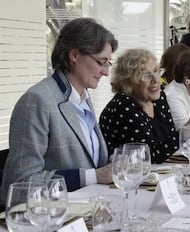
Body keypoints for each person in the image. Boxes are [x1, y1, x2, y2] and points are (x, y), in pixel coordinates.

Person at [0, 17, 118, 203]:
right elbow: (21, 184)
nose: (106, 72)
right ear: (75, 55)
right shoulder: (37, 101)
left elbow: (89, 163)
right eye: (101, 62)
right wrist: (94, 176)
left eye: (108, 63)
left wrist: (113, 162)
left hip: (87, 212)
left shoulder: (83, 99)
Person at [99, 49, 179, 164]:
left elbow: (169, 139)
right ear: (129, 81)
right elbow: (150, 156)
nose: (156, 80)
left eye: (156, 71)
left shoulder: (158, 97)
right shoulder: (123, 105)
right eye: (146, 75)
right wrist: (186, 132)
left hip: (154, 173)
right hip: (123, 176)